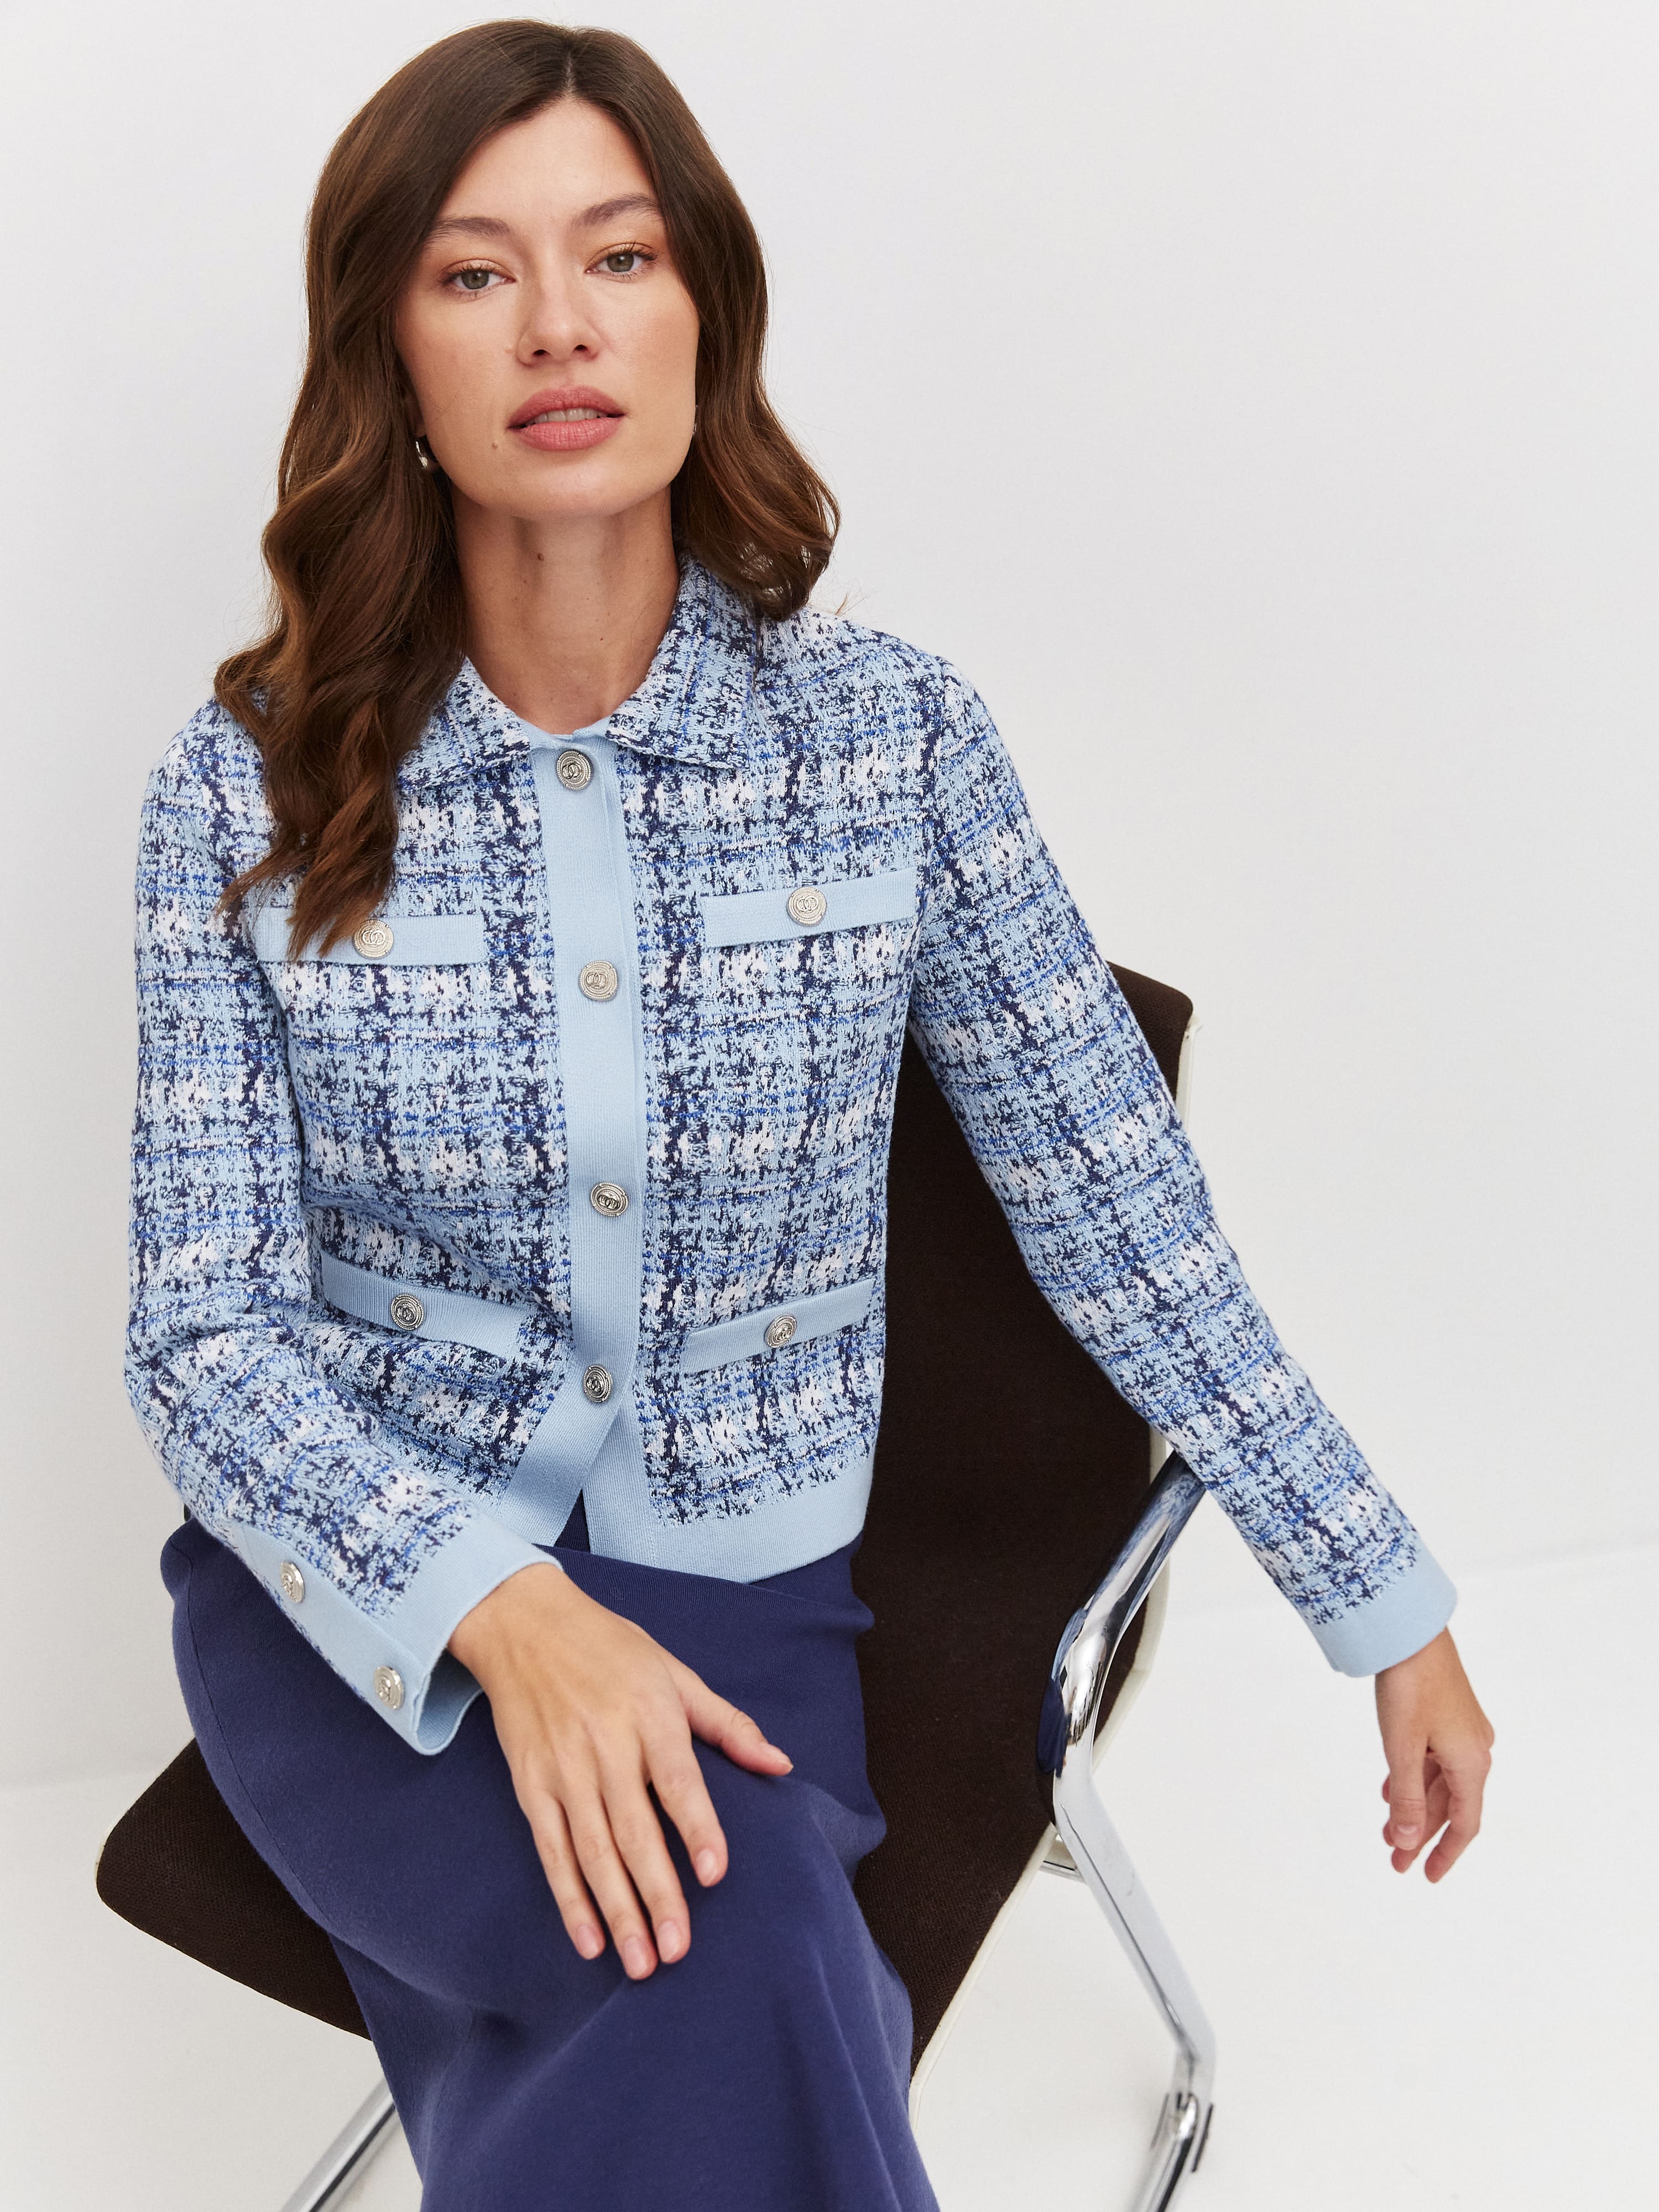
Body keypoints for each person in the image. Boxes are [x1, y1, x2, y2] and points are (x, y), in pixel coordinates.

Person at [126, 20, 1494, 2210]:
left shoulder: (893, 745)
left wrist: (1381, 1592)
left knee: (712, 1942)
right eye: (475, 272)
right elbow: (204, 1337)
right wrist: (507, 1612)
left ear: (707, 313)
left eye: (620, 256)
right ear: (392, 353)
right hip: (360, 1603)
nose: (559, 324)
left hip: (742, 1590)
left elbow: (1118, 1205)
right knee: (738, 1963)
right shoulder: (250, 784)